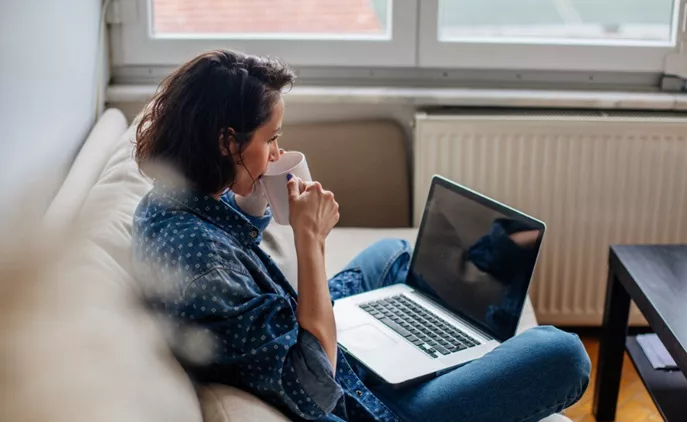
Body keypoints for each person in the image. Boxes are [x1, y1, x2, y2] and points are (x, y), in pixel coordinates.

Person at [131, 49, 590, 422]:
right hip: (361, 404)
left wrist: (255, 195)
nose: (279, 152)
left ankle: (439, 343)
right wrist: (310, 240)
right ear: (228, 142)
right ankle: (451, 359)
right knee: (563, 353)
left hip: (318, 345)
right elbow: (315, 383)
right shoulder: (203, 264)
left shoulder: (172, 202)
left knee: (393, 254)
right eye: (270, 139)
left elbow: (234, 242)